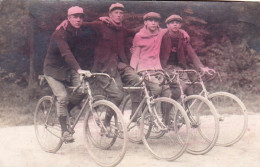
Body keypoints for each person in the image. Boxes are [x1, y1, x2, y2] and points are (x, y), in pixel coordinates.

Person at [56, 3, 141, 126]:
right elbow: (81, 24)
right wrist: (65, 22)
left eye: (121, 13)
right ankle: (106, 121)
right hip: (103, 67)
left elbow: (133, 32)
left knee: (137, 80)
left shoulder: (122, 29)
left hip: (118, 64)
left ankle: (135, 114)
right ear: (110, 15)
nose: (118, 15)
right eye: (116, 13)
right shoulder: (100, 25)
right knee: (118, 95)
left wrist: (157, 28)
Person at [43, 6, 91, 142]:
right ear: (68, 18)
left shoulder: (78, 31)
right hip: (52, 69)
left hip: (68, 68)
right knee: (62, 97)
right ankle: (64, 131)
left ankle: (66, 111)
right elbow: (66, 53)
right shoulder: (60, 33)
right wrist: (79, 69)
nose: (79, 19)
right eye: (75, 17)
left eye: (81, 17)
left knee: (83, 90)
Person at [160, 14, 215, 99]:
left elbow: (191, 53)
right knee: (180, 87)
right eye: (172, 23)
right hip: (164, 67)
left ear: (180, 25)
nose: (175, 24)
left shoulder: (183, 37)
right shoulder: (162, 36)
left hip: (178, 67)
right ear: (167, 25)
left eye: (177, 23)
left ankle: (186, 111)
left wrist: (201, 67)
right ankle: (171, 109)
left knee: (189, 89)